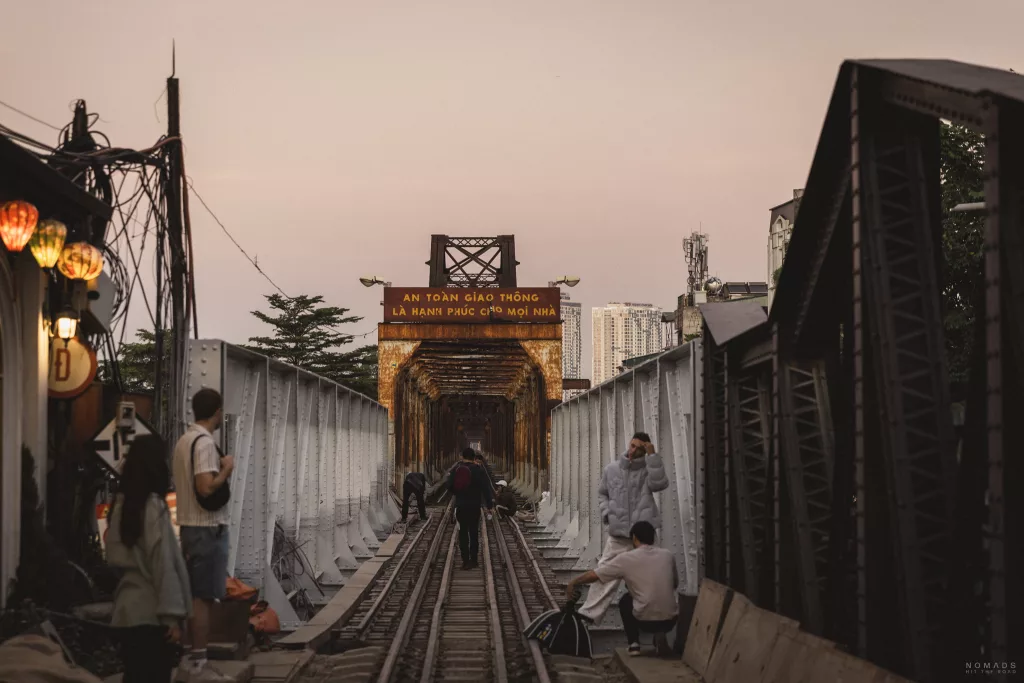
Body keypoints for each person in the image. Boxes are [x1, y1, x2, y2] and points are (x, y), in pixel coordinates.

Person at [106, 434, 192, 683]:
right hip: (152, 615)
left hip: (125, 612)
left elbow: (112, 560)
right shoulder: (153, 507)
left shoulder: (120, 507)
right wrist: (172, 617)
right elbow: (163, 565)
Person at [172, 389, 235, 682]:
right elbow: (206, 487)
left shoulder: (184, 441)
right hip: (207, 529)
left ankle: (187, 659)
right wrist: (227, 470)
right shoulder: (205, 443)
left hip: (188, 526)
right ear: (216, 412)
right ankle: (199, 663)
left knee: (192, 596)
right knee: (203, 598)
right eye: (221, 412)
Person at [578, 432, 669, 624]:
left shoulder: (648, 469)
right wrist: (607, 514)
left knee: (655, 578)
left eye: (639, 448)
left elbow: (660, 484)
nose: (633, 450)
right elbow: (602, 493)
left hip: (644, 537)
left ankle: (660, 627)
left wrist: (653, 456)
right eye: (632, 445)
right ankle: (586, 617)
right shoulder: (611, 469)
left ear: (644, 450)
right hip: (619, 535)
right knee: (604, 574)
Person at [565, 521, 678, 657]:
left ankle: (634, 645)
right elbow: (674, 584)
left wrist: (574, 582)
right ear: (653, 537)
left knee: (625, 600)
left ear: (634, 538)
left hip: (645, 621)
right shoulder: (668, 555)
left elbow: (595, 575)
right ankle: (661, 635)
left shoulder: (626, 559)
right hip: (671, 621)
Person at [448, 447, 494, 570]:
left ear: (462, 456)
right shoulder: (478, 470)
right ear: (474, 458)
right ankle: (473, 560)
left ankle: (465, 560)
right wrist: (489, 506)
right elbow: (486, 488)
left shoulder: (456, 469)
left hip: (461, 506)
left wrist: (459, 493)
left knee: (462, 532)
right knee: (474, 532)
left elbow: (449, 486)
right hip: (474, 506)